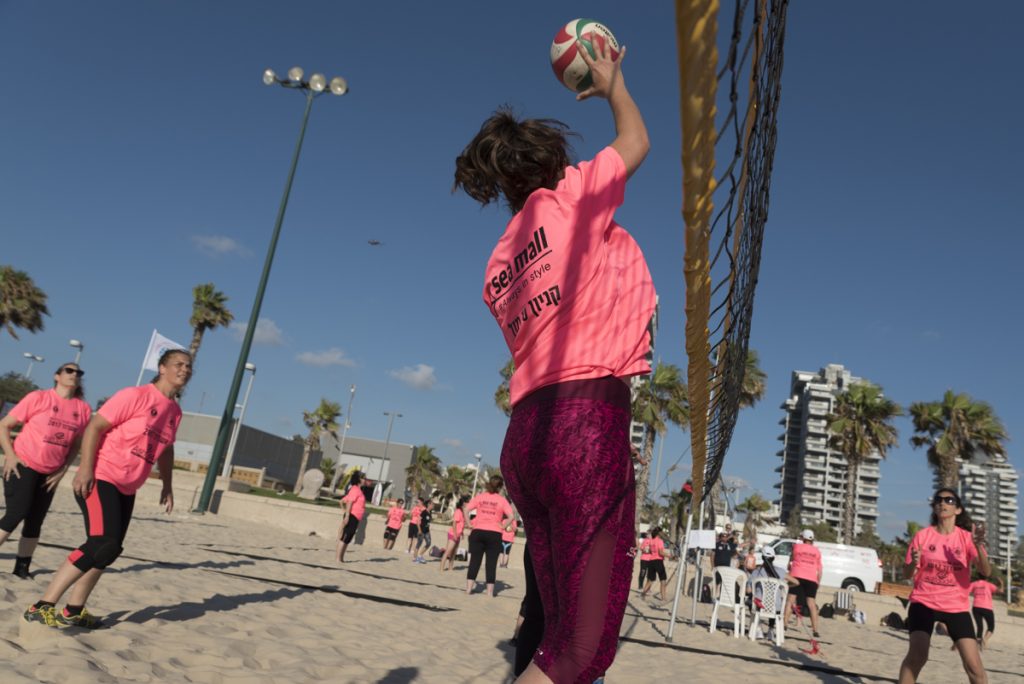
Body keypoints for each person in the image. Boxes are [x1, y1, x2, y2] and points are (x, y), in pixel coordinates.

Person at [454, 35, 653, 684]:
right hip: (583, 429)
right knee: (578, 650)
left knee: (554, 634)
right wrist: (612, 83)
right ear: (550, 163)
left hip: (526, 441)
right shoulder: (571, 196)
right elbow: (636, 141)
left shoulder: (494, 265)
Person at [23, 349, 190, 628]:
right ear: (162, 368)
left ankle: (74, 610)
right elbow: (94, 427)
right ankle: (42, 606)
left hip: (128, 485)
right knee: (103, 543)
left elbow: (167, 449)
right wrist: (86, 468)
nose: (185, 369)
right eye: (178, 364)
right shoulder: (135, 395)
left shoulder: (175, 411)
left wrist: (168, 485)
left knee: (110, 550)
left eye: (188, 366)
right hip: (102, 476)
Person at [0, 362, 91, 579]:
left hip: (51, 472)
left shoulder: (83, 409)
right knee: (17, 512)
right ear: (57, 376)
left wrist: (62, 472)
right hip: (24, 464)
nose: (74, 374)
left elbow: (77, 444)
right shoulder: (38, 397)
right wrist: (10, 455)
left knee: (36, 520)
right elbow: (4, 425)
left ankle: (22, 567)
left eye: (79, 372)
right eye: (69, 370)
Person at [898, 488, 991, 684]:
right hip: (924, 602)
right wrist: (912, 563)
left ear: (958, 509)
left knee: (975, 667)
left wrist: (979, 547)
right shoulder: (923, 536)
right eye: (938, 500)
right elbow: (907, 575)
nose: (943, 503)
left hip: (956, 607)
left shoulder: (967, 538)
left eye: (949, 500)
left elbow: (986, 571)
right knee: (918, 656)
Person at [464, 475, 514, 597]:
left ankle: (469, 590)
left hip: (478, 531)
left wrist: (469, 523)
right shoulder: (502, 500)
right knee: (491, 564)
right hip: (494, 533)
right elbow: (511, 517)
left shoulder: (480, 497)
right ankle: (490, 593)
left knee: (474, 561)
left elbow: (466, 509)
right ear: (500, 487)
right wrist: (503, 526)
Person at [784, 529, 823, 638]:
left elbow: (789, 564)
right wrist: (818, 581)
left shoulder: (796, 547)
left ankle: (785, 624)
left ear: (803, 538)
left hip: (797, 575)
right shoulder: (817, 551)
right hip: (811, 578)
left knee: (790, 600)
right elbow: (820, 569)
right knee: (811, 604)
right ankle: (815, 630)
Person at [336, 471, 365, 563]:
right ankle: (338, 559)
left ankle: (341, 558)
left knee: (348, 537)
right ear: (359, 479)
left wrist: (345, 512)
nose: (364, 480)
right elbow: (349, 502)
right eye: (363, 478)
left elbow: (343, 501)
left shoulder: (357, 490)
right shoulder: (355, 489)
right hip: (352, 515)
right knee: (345, 537)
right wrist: (347, 514)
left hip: (355, 517)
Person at [969, 575, 1000, 651]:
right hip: (987, 608)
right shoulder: (989, 585)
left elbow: (966, 591)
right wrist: (1001, 583)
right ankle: (985, 639)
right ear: (987, 578)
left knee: (980, 627)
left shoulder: (974, 584)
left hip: (976, 607)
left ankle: (977, 646)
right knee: (991, 627)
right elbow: (1000, 591)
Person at [440, 494, 469, 571]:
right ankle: (441, 568)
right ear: (464, 503)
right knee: (448, 552)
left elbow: (461, 524)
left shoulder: (463, 512)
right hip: (453, 534)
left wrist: (461, 533)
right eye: (467, 502)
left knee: (453, 553)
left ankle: (450, 568)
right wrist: (455, 535)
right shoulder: (458, 511)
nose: (468, 504)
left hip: (458, 535)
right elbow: (454, 523)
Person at [640, 527, 668, 602]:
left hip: (651, 561)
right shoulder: (660, 541)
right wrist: (670, 556)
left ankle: (643, 594)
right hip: (658, 561)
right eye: (662, 532)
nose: (663, 533)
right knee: (663, 580)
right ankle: (663, 598)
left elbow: (649, 550)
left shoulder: (651, 541)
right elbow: (661, 553)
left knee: (650, 580)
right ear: (659, 533)